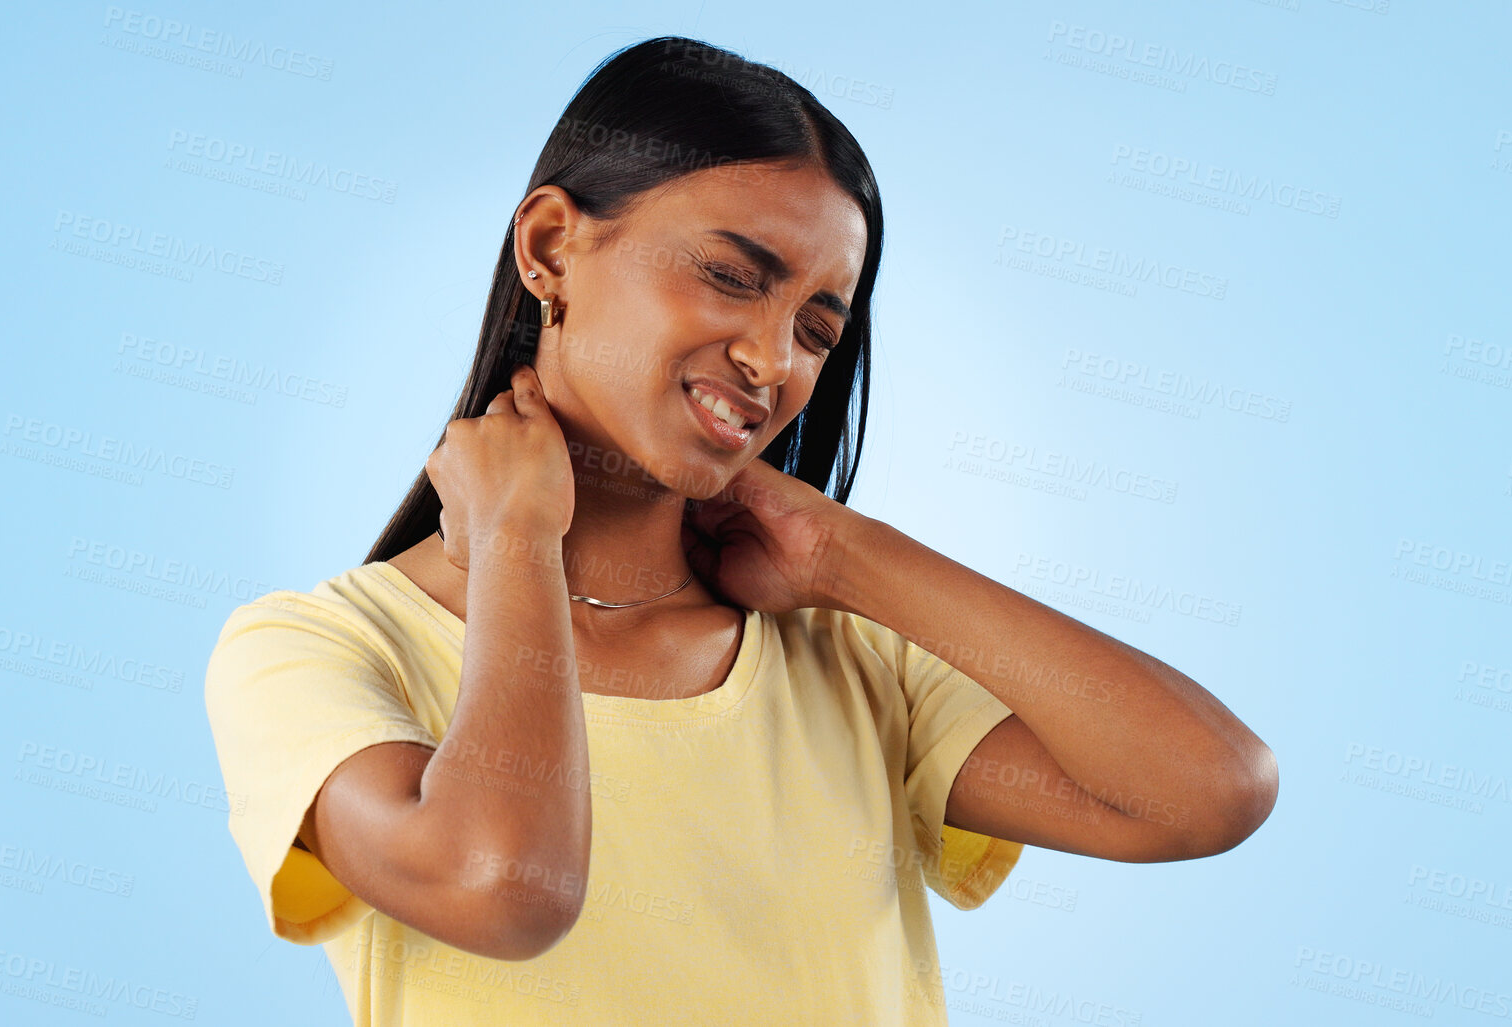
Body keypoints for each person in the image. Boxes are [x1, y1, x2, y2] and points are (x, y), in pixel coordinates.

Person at [203, 35, 1277, 1025]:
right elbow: (507, 888)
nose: (774, 361)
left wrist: (841, 553)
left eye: (817, 327)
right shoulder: (315, 652)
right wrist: (520, 539)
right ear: (548, 247)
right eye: (730, 275)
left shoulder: (850, 656)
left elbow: (1210, 789)